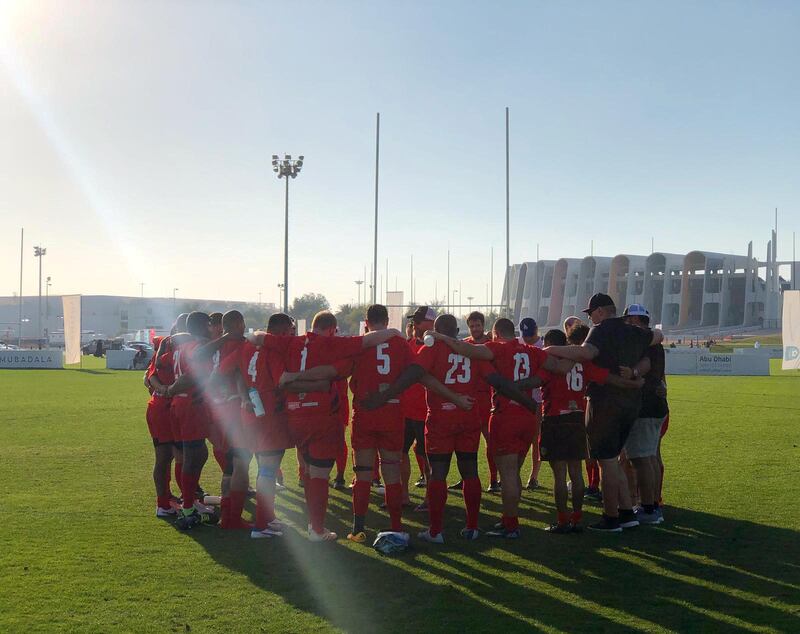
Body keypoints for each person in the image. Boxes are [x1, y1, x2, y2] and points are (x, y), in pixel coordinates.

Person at [282, 304, 471, 545]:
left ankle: (357, 528)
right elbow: (418, 373)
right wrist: (453, 397)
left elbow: (334, 371)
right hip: (392, 412)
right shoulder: (400, 344)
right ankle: (396, 527)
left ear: (366, 321)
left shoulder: (362, 344)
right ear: (387, 319)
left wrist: (298, 378)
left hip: (365, 412)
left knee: (362, 473)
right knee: (391, 471)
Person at [366, 314, 538, 543]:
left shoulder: (433, 348)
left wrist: (384, 396)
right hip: (468, 417)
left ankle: (436, 531)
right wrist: (527, 401)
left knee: (438, 474)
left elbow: (413, 374)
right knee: (470, 472)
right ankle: (472, 527)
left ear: (436, 331)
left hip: (440, 420)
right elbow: (497, 381)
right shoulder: (471, 351)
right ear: (458, 330)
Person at [251, 310, 404, 542]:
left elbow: (255, 337)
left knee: (309, 471)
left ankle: (295, 524)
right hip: (322, 415)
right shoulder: (331, 343)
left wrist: (294, 377)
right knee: (321, 474)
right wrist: (392, 331)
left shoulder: (290, 341)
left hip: (294, 416)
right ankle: (317, 529)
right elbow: (364, 343)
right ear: (332, 329)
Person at [432, 318, 567, 538]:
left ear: (495, 334)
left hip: (506, 416)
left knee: (508, 475)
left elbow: (463, 347)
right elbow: (556, 369)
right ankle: (507, 518)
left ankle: (511, 526)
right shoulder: (532, 351)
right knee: (514, 474)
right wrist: (531, 382)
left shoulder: (496, 348)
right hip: (528, 417)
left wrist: (440, 337)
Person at [545, 293, 663, 533]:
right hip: (631, 404)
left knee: (606, 462)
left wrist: (548, 349)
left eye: (591, 314)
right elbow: (658, 337)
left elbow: (586, 353)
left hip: (605, 403)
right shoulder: (632, 329)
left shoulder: (600, 329)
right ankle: (627, 512)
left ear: (599, 311)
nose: (591, 319)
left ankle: (611, 518)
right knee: (617, 460)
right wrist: (634, 375)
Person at [537, 327, 642, 533]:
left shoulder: (549, 362)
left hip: (555, 419)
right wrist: (634, 384)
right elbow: (609, 378)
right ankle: (576, 518)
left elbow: (538, 380)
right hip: (577, 419)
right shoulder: (582, 363)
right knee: (576, 473)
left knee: (559, 475)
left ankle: (562, 520)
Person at [193, 310, 252, 529]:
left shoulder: (217, 344)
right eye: (243, 323)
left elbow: (200, 359)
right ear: (238, 323)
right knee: (241, 463)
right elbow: (231, 373)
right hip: (235, 408)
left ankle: (227, 516)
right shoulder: (237, 344)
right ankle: (233, 518)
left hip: (218, 408)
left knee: (230, 465)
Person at [164, 312, 219, 530]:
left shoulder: (181, 347)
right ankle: (188, 508)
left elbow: (162, 363)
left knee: (195, 454)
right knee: (193, 455)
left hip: (181, 404)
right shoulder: (197, 347)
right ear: (204, 325)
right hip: (190, 405)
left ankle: (189, 502)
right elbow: (191, 377)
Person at [621, 304, 668, 525]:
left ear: (635, 321)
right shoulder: (653, 341)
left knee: (640, 459)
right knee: (649, 457)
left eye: (628, 320)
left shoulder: (645, 343)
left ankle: (648, 507)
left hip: (645, 406)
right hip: (655, 405)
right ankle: (652, 505)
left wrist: (633, 373)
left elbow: (646, 366)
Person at [401, 307, 436, 504]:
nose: (415, 324)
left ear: (431, 323)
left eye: (419, 320)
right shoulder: (407, 345)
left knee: (430, 458)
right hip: (406, 411)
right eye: (414, 320)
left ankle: (430, 499)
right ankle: (404, 495)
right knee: (400, 453)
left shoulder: (438, 346)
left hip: (428, 412)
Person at [143, 335, 178, 517]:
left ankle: (168, 497)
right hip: (162, 410)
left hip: (166, 408)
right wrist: (166, 390)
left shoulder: (165, 350)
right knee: (165, 457)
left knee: (173, 456)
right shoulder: (167, 351)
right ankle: (163, 504)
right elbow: (150, 379)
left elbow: (148, 379)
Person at [519, 317, 544, 490]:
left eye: (530, 334)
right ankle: (514, 472)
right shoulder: (518, 343)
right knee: (519, 437)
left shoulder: (544, 345)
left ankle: (533, 476)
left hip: (538, 398)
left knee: (535, 439)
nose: (527, 338)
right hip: (520, 397)